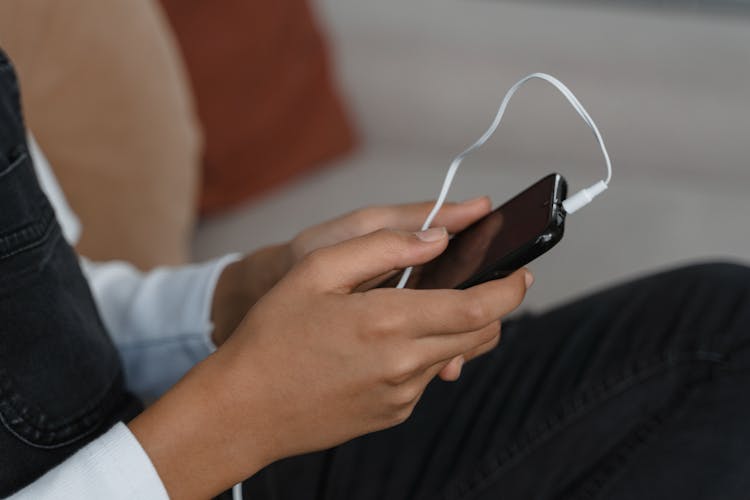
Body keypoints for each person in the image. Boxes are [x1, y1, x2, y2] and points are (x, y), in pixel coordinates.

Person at [2, 49, 749, 500]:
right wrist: (237, 421)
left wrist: (240, 297)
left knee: (720, 332)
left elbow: (50, 306)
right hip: (187, 457)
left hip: (183, 452)